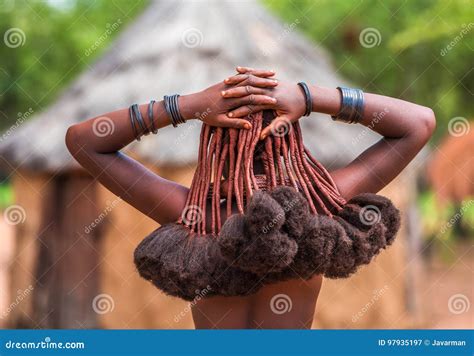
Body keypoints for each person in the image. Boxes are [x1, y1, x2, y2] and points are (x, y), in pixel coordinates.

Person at [66, 66, 436, 329]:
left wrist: (185, 108)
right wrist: (309, 100)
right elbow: (417, 125)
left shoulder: (193, 215)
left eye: (266, 141)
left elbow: (85, 143)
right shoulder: (319, 207)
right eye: (241, 144)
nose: (255, 154)